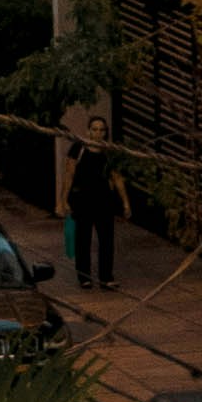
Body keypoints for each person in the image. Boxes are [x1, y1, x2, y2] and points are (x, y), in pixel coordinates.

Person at [65, 122, 127, 291]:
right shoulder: (79, 148)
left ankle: (106, 277)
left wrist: (125, 202)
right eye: (95, 129)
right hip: (83, 201)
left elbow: (117, 177)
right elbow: (69, 174)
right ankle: (84, 277)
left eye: (102, 130)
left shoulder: (108, 151)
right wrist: (62, 200)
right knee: (82, 240)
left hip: (104, 202)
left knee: (106, 241)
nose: (98, 133)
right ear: (88, 131)